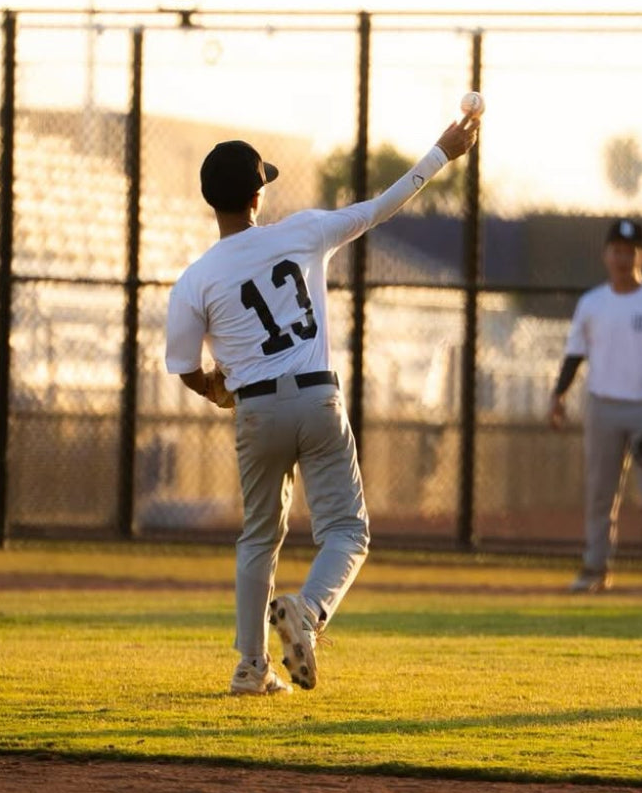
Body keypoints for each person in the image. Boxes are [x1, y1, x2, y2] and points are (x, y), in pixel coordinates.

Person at [165, 114, 480, 695]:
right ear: (259, 194)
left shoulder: (196, 279)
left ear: (212, 201)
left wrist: (215, 388)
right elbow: (381, 206)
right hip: (315, 397)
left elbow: (184, 368)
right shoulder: (303, 231)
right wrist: (442, 151)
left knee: (259, 537)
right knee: (347, 532)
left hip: (255, 410)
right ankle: (306, 611)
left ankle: (250, 668)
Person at [547, 218, 642, 597]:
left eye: (630, 251)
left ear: (640, 254)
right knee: (599, 492)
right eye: (617, 251)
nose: (623, 258)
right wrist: (558, 395)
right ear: (606, 255)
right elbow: (575, 355)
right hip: (603, 405)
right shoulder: (592, 304)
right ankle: (596, 567)